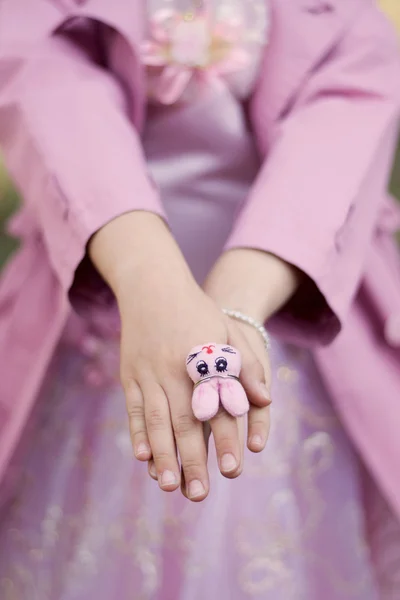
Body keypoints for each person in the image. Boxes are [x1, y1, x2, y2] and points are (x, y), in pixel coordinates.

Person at [0, 0, 399, 598]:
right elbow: (49, 89)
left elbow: (339, 135)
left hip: (290, 321)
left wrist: (234, 311)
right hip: (98, 316)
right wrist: (152, 287)